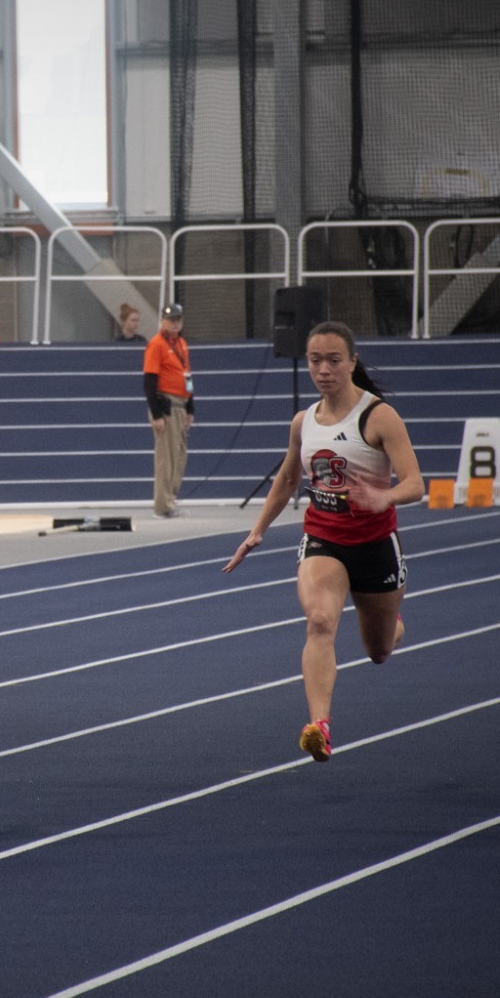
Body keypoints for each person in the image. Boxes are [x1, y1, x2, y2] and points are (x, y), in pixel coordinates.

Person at [224, 320, 421, 763]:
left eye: (334, 360)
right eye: (315, 360)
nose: (324, 369)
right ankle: (320, 726)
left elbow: (415, 484)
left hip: (375, 544)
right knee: (318, 620)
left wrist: (381, 496)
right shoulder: (303, 422)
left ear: (352, 362)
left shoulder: (378, 416)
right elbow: (288, 478)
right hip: (324, 538)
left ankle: (393, 623)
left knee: (379, 650)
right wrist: (257, 531)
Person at [142, 303, 194, 518]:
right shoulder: (157, 344)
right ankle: (163, 505)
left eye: (178, 320)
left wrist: (190, 407)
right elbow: (150, 380)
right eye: (171, 319)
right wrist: (156, 414)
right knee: (166, 457)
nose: (175, 323)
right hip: (167, 406)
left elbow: (187, 377)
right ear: (163, 321)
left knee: (179, 456)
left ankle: (170, 498)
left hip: (180, 405)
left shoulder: (181, 344)